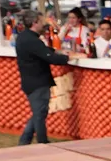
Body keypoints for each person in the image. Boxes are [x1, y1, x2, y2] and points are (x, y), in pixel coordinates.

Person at [15, 10, 71, 145]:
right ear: (35, 22)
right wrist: (67, 57)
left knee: (38, 113)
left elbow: (43, 52)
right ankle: (42, 142)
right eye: (41, 21)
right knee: (40, 115)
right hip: (37, 82)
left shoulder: (24, 37)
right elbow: (49, 57)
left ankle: (24, 142)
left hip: (31, 81)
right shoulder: (32, 40)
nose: (44, 24)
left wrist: (54, 52)